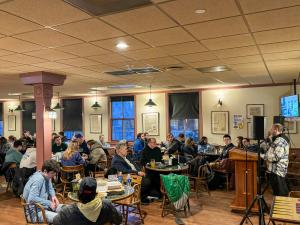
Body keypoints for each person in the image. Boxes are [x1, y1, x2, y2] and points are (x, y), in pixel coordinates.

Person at [53, 177, 122, 225]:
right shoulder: (107, 205)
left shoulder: (66, 212)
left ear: (78, 194)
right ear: (96, 194)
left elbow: (55, 222)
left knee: (59, 208)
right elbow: (118, 220)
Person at [23, 159, 62, 224]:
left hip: (44, 208)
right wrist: (49, 203)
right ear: (45, 171)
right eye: (52, 173)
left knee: (67, 211)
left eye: (54, 174)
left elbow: (50, 188)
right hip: (34, 213)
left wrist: (53, 196)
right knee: (61, 218)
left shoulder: (47, 176)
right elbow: (32, 198)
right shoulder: (38, 180)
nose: (53, 176)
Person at [261, 123, 289, 196]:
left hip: (278, 171)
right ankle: (279, 206)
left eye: (271, 129)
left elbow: (276, 157)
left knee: (280, 194)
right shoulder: (277, 139)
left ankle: (282, 207)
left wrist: (263, 156)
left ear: (276, 129)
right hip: (275, 170)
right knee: (277, 192)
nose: (270, 130)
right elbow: (271, 150)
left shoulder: (281, 140)